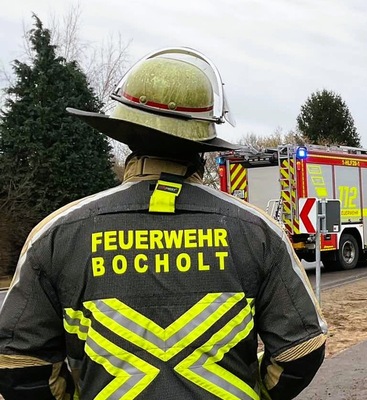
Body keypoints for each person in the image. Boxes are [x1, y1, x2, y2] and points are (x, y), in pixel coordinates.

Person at [0, 47, 326, 400]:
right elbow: (301, 350)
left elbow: (19, 364)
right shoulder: (258, 233)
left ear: (125, 134)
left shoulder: (56, 234)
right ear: (203, 143)